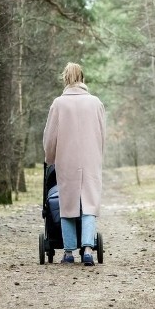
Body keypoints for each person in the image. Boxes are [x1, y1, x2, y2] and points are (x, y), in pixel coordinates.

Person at [43, 62, 106, 266]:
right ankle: (87, 249)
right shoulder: (96, 102)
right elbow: (102, 134)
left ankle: (69, 252)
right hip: (90, 159)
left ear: (65, 79)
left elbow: (50, 137)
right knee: (89, 203)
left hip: (66, 159)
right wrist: (98, 154)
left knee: (67, 204)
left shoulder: (58, 104)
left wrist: (49, 157)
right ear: (82, 78)